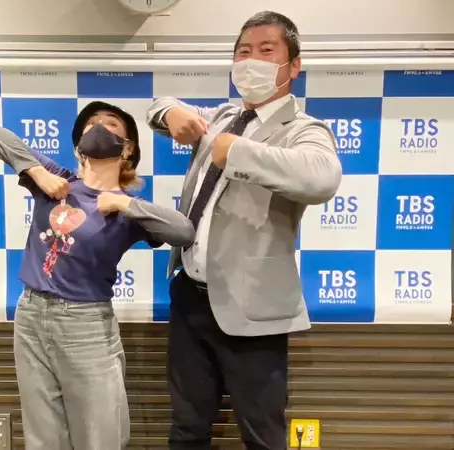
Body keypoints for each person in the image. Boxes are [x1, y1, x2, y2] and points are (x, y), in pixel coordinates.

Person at [146, 11, 342, 450]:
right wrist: (171, 111)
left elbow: (322, 177)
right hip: (190, 296)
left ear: (293, 65)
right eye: (243, 52)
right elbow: (157, 106)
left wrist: (237, 152)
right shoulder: (222, 116)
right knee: (187, 429)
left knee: (262, 435)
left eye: (266, 50)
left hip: (253, 306)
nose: (251, 60)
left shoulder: (303, 129)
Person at [0, 101, 195, 450]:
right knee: (43, 436)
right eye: (91, 122)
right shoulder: (57, 179)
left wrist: (124, 203)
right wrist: (37, 172)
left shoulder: (129, 211)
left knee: (100, 435)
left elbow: (183, 232)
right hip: (30, 315)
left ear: (127, 149)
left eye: (111, 124)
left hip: (85, 325)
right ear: (79, 144)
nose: (98, 126)